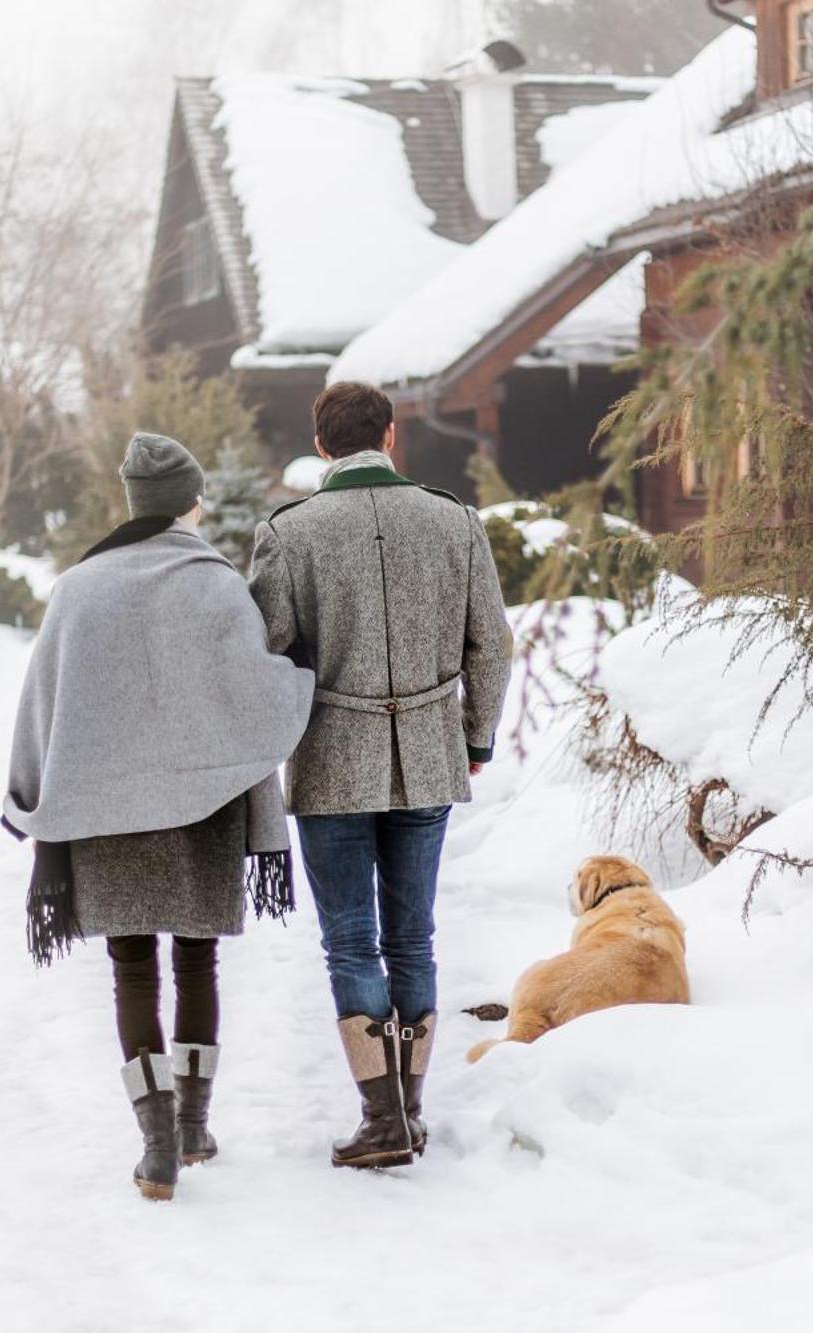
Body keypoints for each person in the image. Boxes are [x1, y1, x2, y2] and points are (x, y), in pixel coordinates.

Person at [2, 432, 313, 1201]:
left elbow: (41, 706)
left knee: (131, 972)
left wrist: (37, 796)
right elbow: (254, 693)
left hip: (104, 813)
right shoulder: (213, 584)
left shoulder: (76, 590)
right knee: (197, 963)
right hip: (201, 809)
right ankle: (194, 1123)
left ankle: (157, 1142)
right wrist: (301, 676)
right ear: (191, 503)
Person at [249, 382, 511, 1169]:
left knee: (351, 942)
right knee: (412, 935)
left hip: (331, 759)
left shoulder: (287, 533)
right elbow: (492, 646)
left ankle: (382, 1115)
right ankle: (411, 1109)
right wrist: (476, 736)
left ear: (322, 446)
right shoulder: (455, 521)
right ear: (391, 437)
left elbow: (265, 654)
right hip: (431, 752)